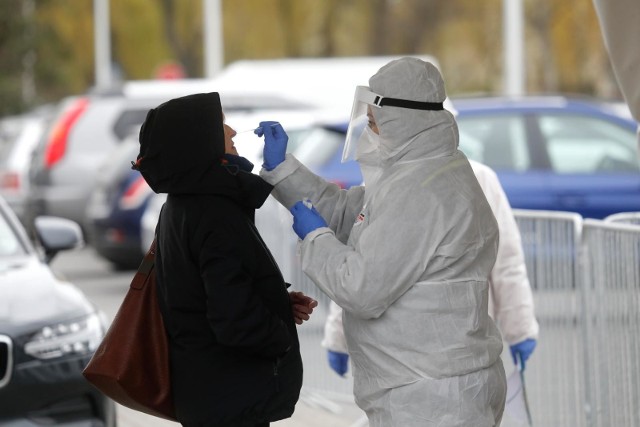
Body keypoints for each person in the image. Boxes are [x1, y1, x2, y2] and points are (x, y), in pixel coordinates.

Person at [256, 58, 506, 426]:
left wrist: (316, 236)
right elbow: (349, 213)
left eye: (374, 123)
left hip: (430, 395)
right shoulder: (423, 170)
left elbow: (363, 287)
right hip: (430, 383)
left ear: (402, 122)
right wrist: (283, 171)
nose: (369, 133)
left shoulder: (422, 191)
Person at [132, 92, 318, 427]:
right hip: (231, 403)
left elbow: (204, 295)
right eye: (219, 125)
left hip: (210, 396)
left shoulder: (182, 205)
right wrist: (279, 337)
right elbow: (234, 320)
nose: (231, 132)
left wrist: (276, 302)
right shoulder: (213, 212)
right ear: (197, 141)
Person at [322, 159, 540, 378]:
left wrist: (520, 328)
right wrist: (337, 336)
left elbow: (505, 258)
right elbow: (357, 262)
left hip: (457, 341)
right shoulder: (379, 179)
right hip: (407, 344)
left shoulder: (479, 178)